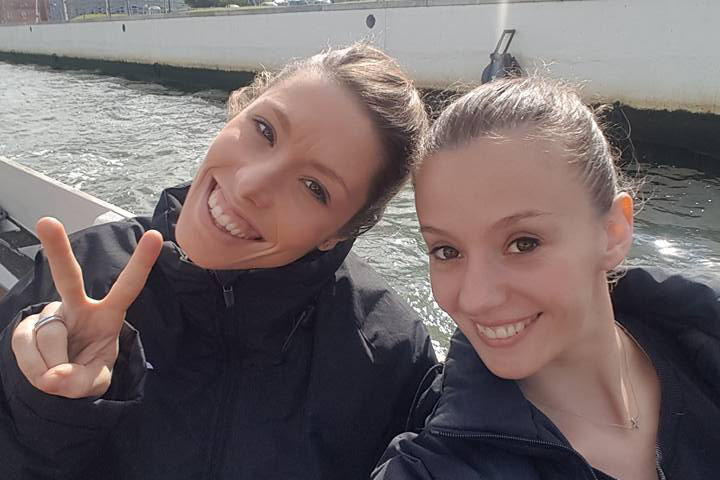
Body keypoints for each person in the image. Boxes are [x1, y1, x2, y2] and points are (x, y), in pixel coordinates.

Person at [0, 43, 438, 480]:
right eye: (264, 130)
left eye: (313, 188)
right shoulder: (84, 274)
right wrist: (45, 404)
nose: (249, 185)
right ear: (238, 112)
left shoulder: (388, 355)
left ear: (339, 232)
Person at [373, 77, 720, 479]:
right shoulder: (434, 468)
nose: (476, 298)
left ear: (613, 232)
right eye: (446, 251)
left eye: (523, 243)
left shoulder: (704, 343)